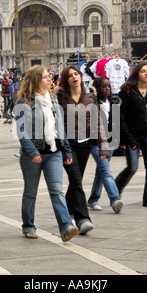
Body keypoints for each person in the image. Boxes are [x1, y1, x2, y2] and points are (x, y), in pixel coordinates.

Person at [14, 65, 79, 242]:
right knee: (30, 192)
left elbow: (60, 128)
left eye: (48, 77)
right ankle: (28, 225)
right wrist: (31, 151)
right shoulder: (23, 103)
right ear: (35, 80)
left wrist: (66, 150)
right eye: (45, 77)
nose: (49, 79)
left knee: (57, 191)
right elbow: (22, 132)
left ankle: (66, 227)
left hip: (53, 152)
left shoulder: (53, 100)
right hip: (32, 155)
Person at [56, 65, 109, 235]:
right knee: (77, 181)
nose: (74, 77)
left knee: (75, 182)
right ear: (66, 80)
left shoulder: (90, 98)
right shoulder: (60, 98)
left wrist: (103, 146)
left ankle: (65, 212)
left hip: (85, 144)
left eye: (76, 74)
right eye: (70, 75)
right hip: (68, 145)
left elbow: (98, 123)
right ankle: (83, 218)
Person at [115, 63, 147, 207]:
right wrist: (124, 138)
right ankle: (115, 188)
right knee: (132, 167)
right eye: (143, 71)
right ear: (137, 74)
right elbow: (120, 117)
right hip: (132, 134)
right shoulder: (127, 91)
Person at [87, 77, 123, 213]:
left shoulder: (113, 102)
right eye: (103, 86)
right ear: (97, 88)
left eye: (108, 86)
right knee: (106, 171)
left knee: (101, 171)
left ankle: (93, 199)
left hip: (110, 140)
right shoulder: (93, 103)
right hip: (97, 141)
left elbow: (119, 122)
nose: (107, 89)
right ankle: (115, 199)